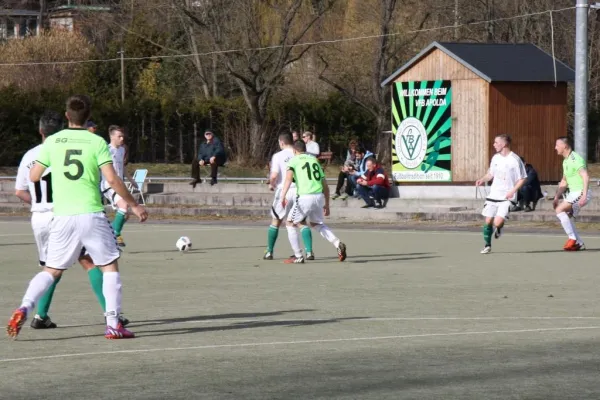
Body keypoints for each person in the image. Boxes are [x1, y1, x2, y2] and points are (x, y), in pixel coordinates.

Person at [6, 95, 147, 340]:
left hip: (61, 217)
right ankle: (113, 324)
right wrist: (134, 205)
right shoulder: (96, 142)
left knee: (50, 270)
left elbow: (36, 175)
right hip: (91, 214)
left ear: (66, 115)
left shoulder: (53, 142)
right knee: (109, 267)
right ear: (87, 115)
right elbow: (112, 180)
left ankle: (25, 307)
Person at [280, 140, 347, 264]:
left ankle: (298, 255)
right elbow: (325, 186)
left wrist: (282, 196)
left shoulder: (293, 161)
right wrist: (326, 204)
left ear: (295, 150)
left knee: (290, 223)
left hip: (305, 197)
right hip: (318, 196)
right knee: (317, 224)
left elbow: (288, 179)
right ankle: (337, 243)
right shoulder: (314, 161)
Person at [264, 133, 313, 260]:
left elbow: (274, 175)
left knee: (276, 221)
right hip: (300, 191)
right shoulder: (300, 154)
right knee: (301, 222)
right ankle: (309, 252)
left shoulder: (278, 156)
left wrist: (271, 183)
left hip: (284, 191)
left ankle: (269, 252)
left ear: (281, 142)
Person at [475, 134, 527, 254]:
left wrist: (513, 191)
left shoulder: (515, 159)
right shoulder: (495, 158)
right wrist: (482, 179)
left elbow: (523, 178)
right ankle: (487, 245)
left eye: (496, 142)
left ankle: (499, 227)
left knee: (497, 222)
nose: (494, 145)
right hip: (494, 195)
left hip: (507, 196)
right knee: (488, 221)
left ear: (504, 144)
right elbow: (490, 174)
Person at [100, 125, 138, 247]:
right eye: (119, 136)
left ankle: (111, 233)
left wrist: (131, 180)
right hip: (109, 184)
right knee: (124, 205)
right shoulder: (106, 150)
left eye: (123, 136)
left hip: (119, 184)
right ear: (112, 137)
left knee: (125, 214)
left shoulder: (121, 150)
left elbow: (123, 167)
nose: (122, 139)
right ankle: (114, 235)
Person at [553, 136, 590, 251]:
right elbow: (564, 181)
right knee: (567, 217)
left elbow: (585, 176)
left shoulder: (575, 159)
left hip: (580, 192)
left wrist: (584, 194)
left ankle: (572, 238)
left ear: (565, 146)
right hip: (573, 194)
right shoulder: (566, 161)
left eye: (557, 145)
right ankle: (578, 242)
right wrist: (556, 197)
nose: (555, 148)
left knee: (559, 210)